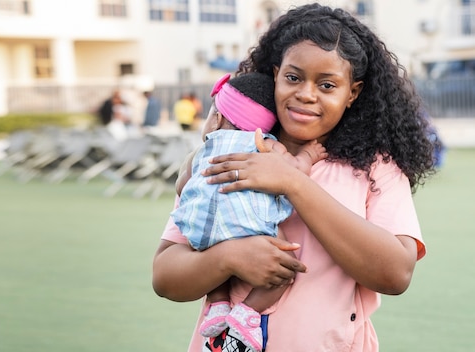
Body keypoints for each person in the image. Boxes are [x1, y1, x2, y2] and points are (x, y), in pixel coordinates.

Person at [152, 3, 436, 352]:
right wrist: (227, 258)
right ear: (275, 75)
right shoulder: (228, 156)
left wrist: (293, 182)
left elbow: (395, 274)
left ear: (353, 93)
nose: (306, 93)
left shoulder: (377, 168)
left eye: (328, 85)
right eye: (293, 77)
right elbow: (165, 278)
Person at [171, 72, 327, 352]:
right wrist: (309, 156)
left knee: (205, 251)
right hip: (247, 222)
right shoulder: (266, 145)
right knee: (285, 264)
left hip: (201, 227)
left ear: (217, 117)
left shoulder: (204, 148)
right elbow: (295, 171)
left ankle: (218, 305)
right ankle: (247, 314)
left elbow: (182, 186)